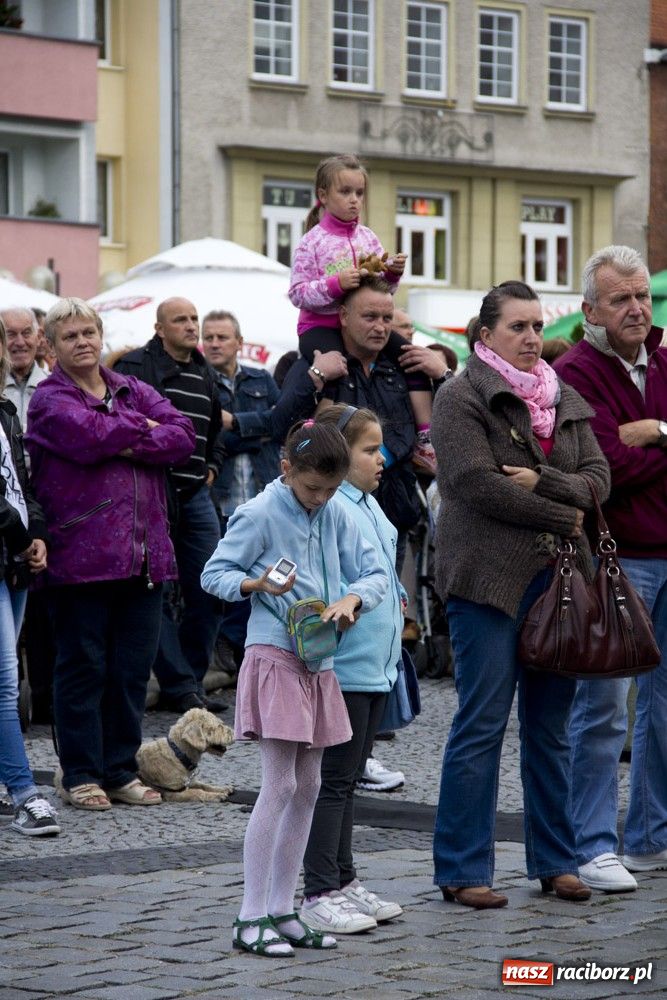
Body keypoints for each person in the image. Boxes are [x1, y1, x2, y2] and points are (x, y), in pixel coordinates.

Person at [431, 280, 610, 908]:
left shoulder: (566, 396)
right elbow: (473, 483)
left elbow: (599, 482)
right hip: (486, 581)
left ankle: (557, 861)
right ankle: (462, 868)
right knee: (481, 723)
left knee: (550, 728)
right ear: (487, 336)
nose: (533, 338)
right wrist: (563, 515)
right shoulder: (460, 395)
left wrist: (545, 479)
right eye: (518, 327)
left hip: (561, 582)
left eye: (537, 325)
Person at [201, 421, 388, 958]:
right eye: (312, 489)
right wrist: (255, 584)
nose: (321, 499)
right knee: (279, 786)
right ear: (286, 470)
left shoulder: (335, 512)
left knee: (308, 787)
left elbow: (376, 573)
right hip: (273, 656)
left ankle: (285, 910)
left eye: (331, 490)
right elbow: (214, 572)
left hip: (318, 660)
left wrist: (353, 600)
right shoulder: (259, 513)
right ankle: (249, 916)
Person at [26, 298, 195, 810]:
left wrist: (130, 434)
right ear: (50, 347)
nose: (82, 342)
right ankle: (79, 772)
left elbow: (183, 436)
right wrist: (140, 430)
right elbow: (88, 436)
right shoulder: (50, 400)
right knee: (83, 667)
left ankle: (119, 769)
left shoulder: (130, 387)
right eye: (69, 336)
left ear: (101, 336)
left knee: (129, 671)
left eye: (88, 332)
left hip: (146, 556)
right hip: (81, 554)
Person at [554, 245, 667, 891]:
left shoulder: (664, 361)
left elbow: (630, 456)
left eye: (640, 296)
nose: (634, 308)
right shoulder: (574, 372)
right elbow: (603, 474)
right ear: (589, 309)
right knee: (601, 710)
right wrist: (649, 444)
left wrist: (653, 429)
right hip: (614, 559)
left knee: (664, 710)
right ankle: (590, 845)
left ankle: (650, 837)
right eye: (619, 298)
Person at [300, 404, 404, 934]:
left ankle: (342, 877)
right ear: (340, 454)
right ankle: (318, 888)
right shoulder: (334, 505)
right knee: (332, 782)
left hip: (375, 668)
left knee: (347, 781)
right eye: (369, 449)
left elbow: (381, 570)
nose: (382, 458)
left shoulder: (368, 503)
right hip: (346, 666)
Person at [274, 278, 452, 572]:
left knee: (385, 603)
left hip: (392, 511)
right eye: (369, 317)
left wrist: (443, 374)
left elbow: (448, 423)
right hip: (327, 513)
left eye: (387, 318)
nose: (381, 328)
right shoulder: (316, 360)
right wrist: (316, 375)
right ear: (343, 316)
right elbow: (280, 425)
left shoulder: (406, 367)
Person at [288, 153, 436, 473]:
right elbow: (297, 293)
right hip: (321, 324)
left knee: (413, 357)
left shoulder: (367, 237)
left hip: (357, 323)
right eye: (345, 192)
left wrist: (393, 274)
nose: (354, 200)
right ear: (323, 196)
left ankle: (425, 439)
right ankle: (317, 438)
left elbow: (379, 294)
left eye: (359, 193)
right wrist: (334, 284)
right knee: (338, 368)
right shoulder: (311, 242)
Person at [115, 298, 226, 714]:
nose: (191, 326)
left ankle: (190, 682)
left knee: (211, 586)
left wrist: (212, 465)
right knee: (153, 590)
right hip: (153, 497)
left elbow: (215, 429)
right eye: (181, 320)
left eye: (194, 318)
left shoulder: (204, 371)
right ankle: (181, 687)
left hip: (196, 495)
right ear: (160, 328)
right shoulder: (133, 366)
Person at [0, 314, 57, 836]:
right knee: (4, 683)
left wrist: (33, 534)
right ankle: (24, 792)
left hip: (14, 561)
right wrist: (22, 537)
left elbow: (21, 482)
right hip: (7, 553)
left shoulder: (5, 413)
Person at [201, 309, 281, 532]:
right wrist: (259, 435)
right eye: (208, 338)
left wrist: (235, 422)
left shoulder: (262, 378)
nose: (214, 344)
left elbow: (282, 425)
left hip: (266, 494)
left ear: (239, 342)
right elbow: (212, 441)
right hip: (221, 501)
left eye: (222, 337)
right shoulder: (198, 385)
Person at [0, 307, 49, 432]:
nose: (20, 342)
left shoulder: (57, 388)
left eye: (26, 333)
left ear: (39, 336)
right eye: (10, 334)